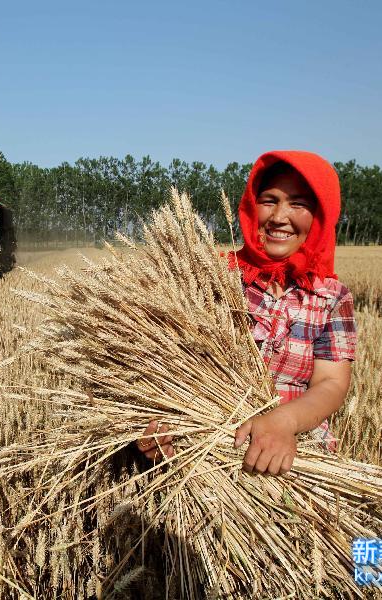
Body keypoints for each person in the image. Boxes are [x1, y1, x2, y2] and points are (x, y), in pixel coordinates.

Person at [137, 151, 357, 476]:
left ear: (321, 215)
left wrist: (284, 422)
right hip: (207, 446)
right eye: (269, 200)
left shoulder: (331, 297)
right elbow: (170, 358)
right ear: (252, 206)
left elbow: (331, 382)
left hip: (296, 454)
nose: (280, 216)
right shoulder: (214, 278)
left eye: (298, 204)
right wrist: (163, 417)